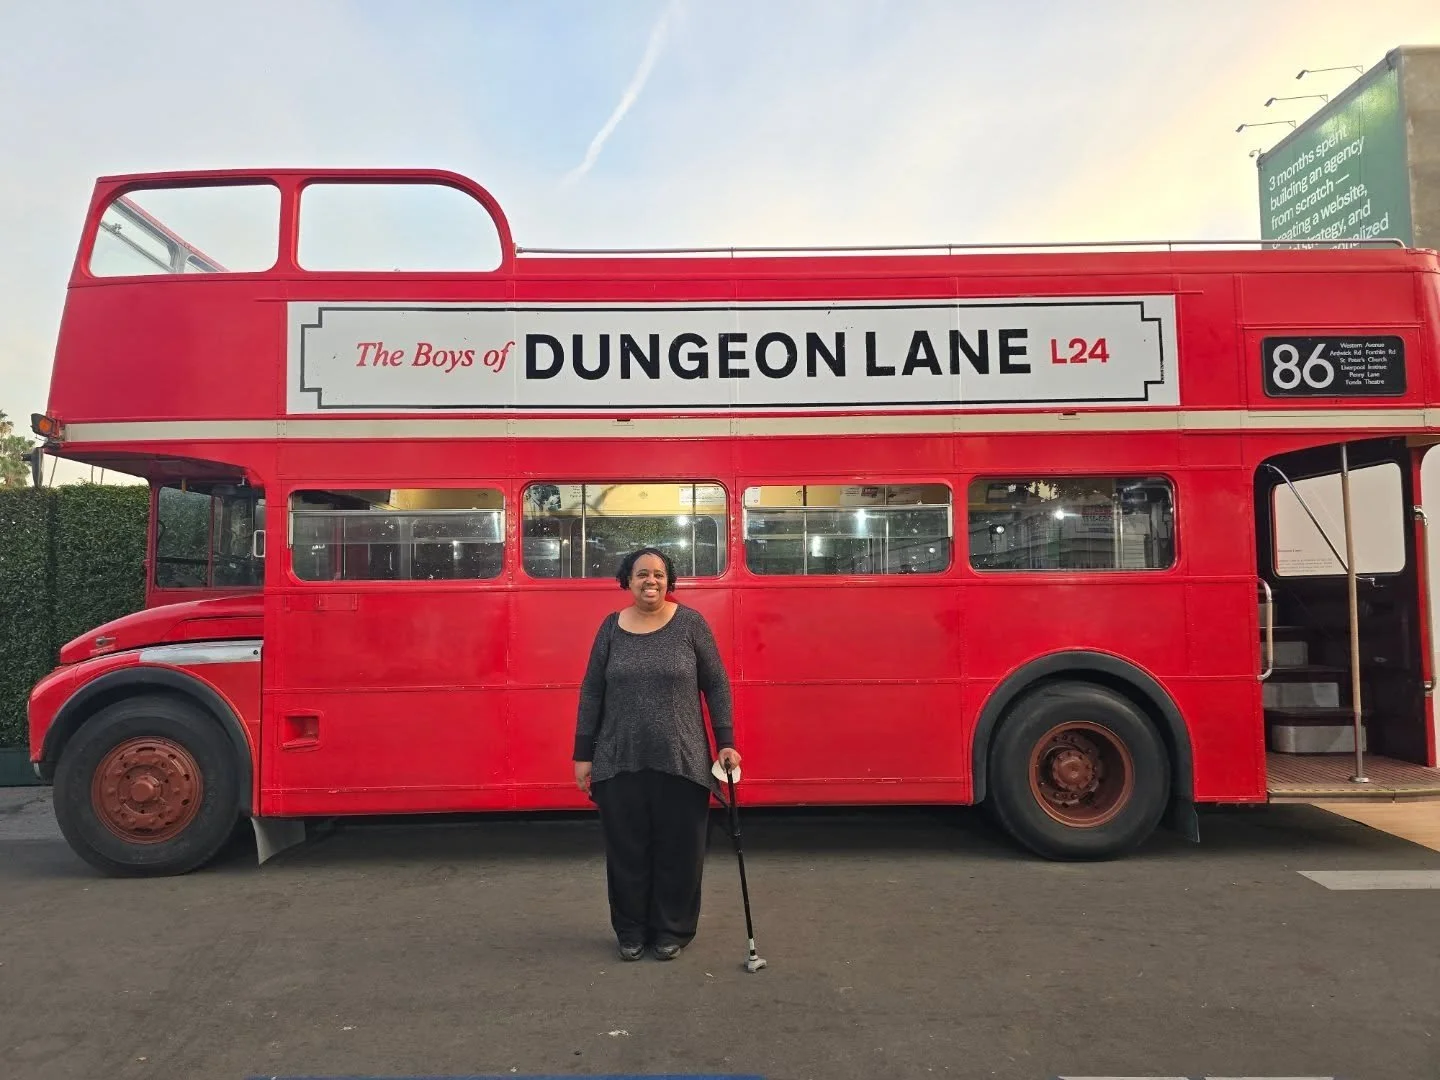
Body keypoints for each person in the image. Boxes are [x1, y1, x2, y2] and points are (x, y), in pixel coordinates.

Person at [573, 546, 741, 961]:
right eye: (642, 574)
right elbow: (592, 691)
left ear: (670, 581)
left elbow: (716, 684)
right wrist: (583, 754)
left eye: (659, 574)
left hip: (681, 758)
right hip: (618, 758)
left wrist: (725, 741)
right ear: (627, 581)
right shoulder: (610, 628)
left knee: (678, 852)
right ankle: (630, 931)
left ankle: (672, 931)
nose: (651, 581)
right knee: (627, 852)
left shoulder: (690, 624)